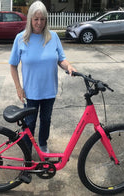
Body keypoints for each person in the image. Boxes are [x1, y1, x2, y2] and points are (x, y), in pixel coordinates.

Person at [9, 1, 76, 153]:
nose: (39, 23)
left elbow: (61, 59)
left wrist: (69, 66)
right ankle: (27, 152)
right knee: (30, 123)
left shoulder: (53, 37)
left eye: (42, 19)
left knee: (46, 120)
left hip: (49, 91)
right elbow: (13, 65)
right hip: (31, 92)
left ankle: (43, 145)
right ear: (30, 19)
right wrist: (19, 88)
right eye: (36, 19)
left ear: (46, 20)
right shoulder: (21, 38)